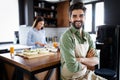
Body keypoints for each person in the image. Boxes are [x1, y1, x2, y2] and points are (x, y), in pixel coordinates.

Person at [59, 2, 107, 80]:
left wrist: (80, 59)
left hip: (86, 74)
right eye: (74, 16)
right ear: (70, 19)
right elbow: (72, 67)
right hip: (71, 78)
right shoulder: (66, 37)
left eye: (81, 15)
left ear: (85, 17)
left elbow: (96, 60)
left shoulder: (88, 36)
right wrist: (88, 60)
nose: (78, 19)